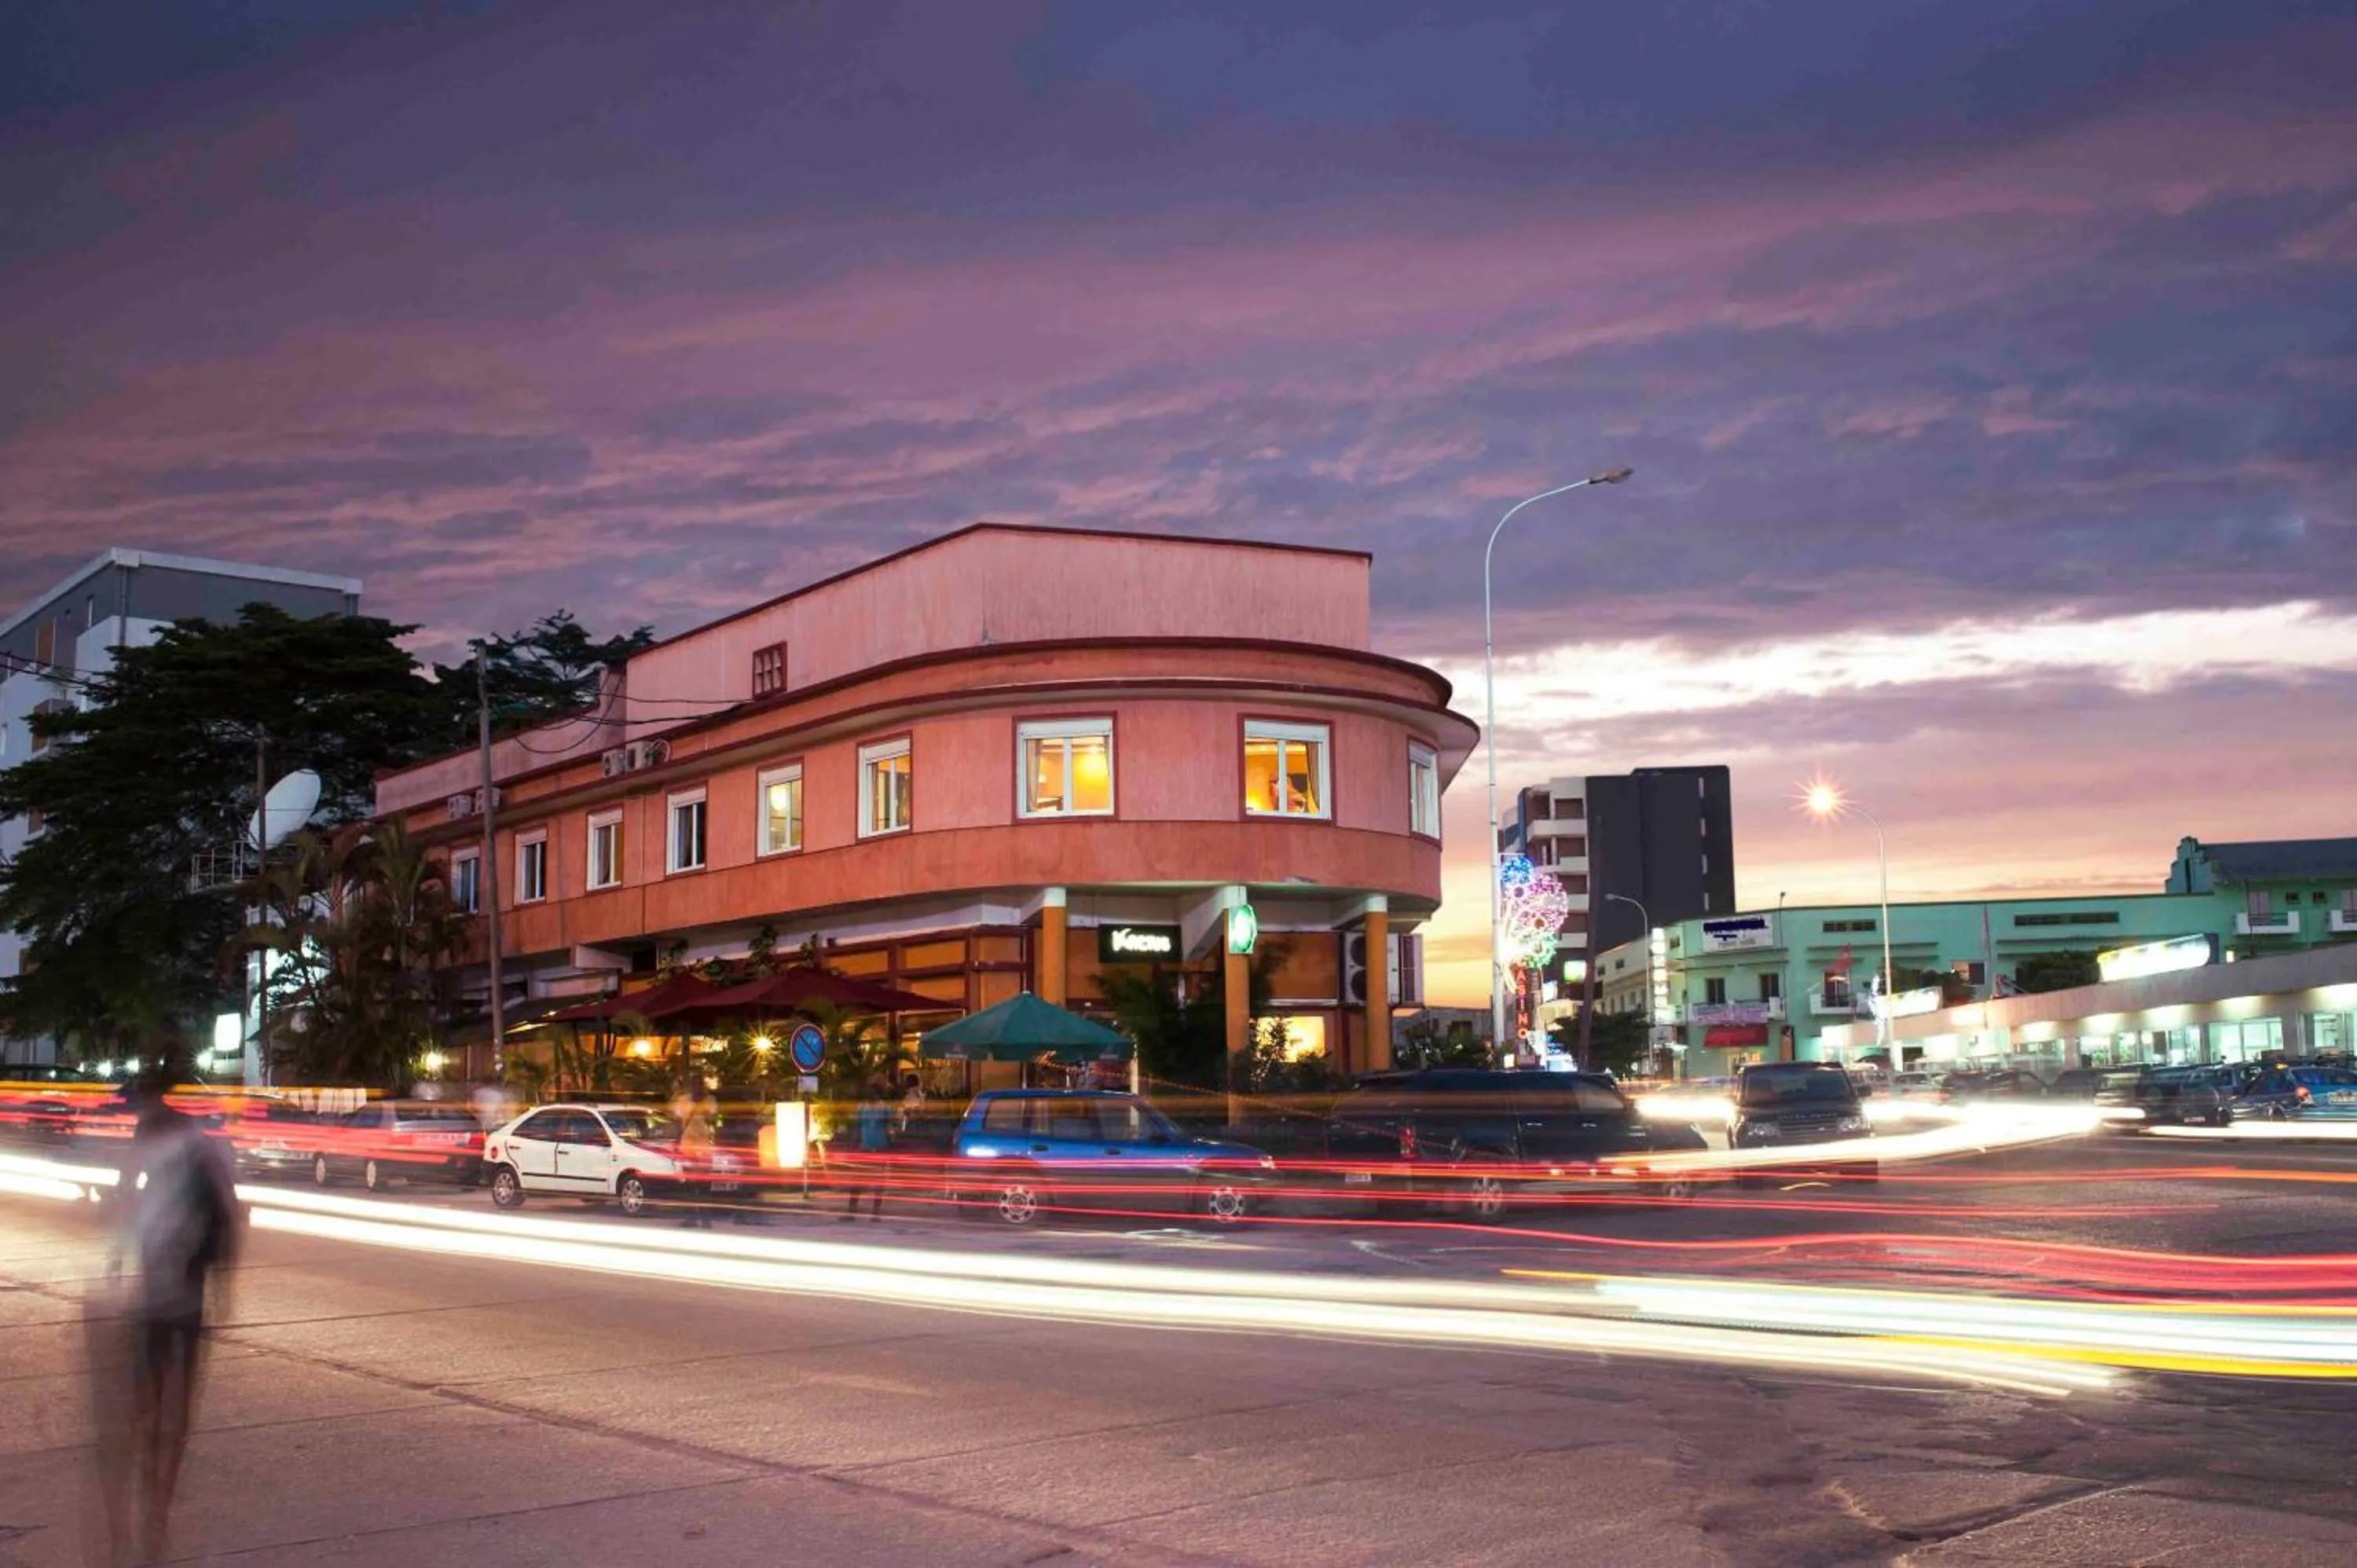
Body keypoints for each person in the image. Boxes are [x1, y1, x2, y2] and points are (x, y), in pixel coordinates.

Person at [95, 1050, 244, 1564]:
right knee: (174, 1396)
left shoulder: (158, 1137)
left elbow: (126, 1191)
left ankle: (153, 1484)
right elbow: (228, 1209)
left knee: (152, 1389)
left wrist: (117, 1248)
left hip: (166, 1283)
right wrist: (226, 1284)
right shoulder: (197, 1140)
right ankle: (160, 1488)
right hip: (184, 1285)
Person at [669, 1073, 717, 1229]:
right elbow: (676, 1119)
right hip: (688, 1146)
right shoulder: (684, 1100)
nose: (698, 1087)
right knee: (689, 1185)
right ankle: (692, 1218)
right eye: (695, 1084)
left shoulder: (710, 1100)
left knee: (704, 1185)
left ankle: (705, 1219)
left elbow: (714, 1119)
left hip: (703, 1146)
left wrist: (703, 1110)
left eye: (700, 1084)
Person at [841, 1078, 893, 1222]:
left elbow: (890, 1128)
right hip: (864, 1149)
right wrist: (853, 1145)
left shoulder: (885, 1108)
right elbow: (857, 1128)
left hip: (880, 1148)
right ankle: (851, 1212)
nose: (870, 1095)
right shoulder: (862, 1107)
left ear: (878, 1094)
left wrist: (890, 1146)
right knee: (857, 1182)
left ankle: (875, 1213)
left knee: (878, 1183)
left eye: (873, 1093)